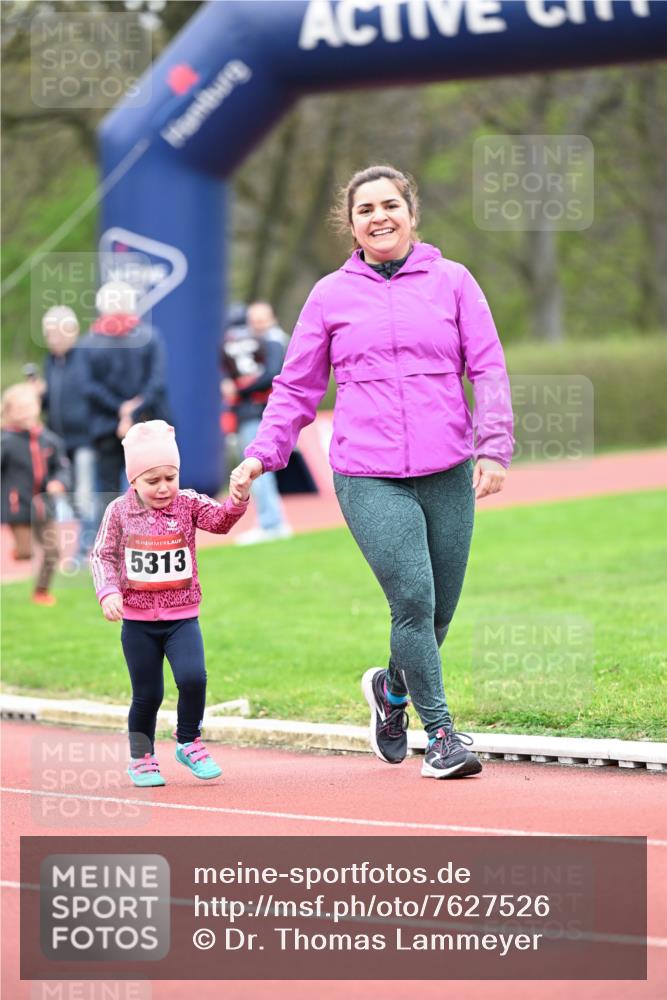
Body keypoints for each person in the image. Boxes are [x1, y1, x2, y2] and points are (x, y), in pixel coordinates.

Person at [231, 165, 514, 780]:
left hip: (448, 468)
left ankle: (391, 689)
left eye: (390, 205)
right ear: (352, 224)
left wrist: (493, 447)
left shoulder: (454, 282)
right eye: (365, 209)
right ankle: (440, 736)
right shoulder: (330, 295)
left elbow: (488, 368)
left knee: (437, 613)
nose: (379, 216)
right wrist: (262, 453)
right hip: (367, 472)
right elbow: (296, 386)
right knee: (412, 597)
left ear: (412, 212)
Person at [90, 420, 250, 787]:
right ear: (133, 481)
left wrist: (237, 500)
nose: (164, 488)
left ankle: (189, 739)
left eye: (170, 477)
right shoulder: (118, 511)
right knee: (148, 694)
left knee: (193, 679)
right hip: (138, 621)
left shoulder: (188, 503)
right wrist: (108, 591)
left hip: (182, 617)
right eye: (152, 481)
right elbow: (102, 555)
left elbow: (221, 521)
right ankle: (141, 758)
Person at [82, 280, 171, 501]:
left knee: (107, 494)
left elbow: (89, 386)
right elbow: (157, 382)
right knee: (151, 487)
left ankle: (112, 535)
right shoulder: (151, 336)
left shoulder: (89, 342)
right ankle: (150, 536)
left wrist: (121, 409)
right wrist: (133, 408)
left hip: (105, 426)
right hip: (148, 422)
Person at [221, 301, 291, 545]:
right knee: (258, 467)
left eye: (262, 319)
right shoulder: (258, 342)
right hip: (258, 412)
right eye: (254, 320)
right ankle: (269, 520)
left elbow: (272, 375)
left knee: (257, 467)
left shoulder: (272, 341)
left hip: (262, 413)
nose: (258, 324)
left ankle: (271, 522)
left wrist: (240, 389)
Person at [1, 383, 71, 606]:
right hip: (17, 506)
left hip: (45, 506)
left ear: (37, 406)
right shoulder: (6, 442)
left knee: (53, 551)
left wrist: (60, 482)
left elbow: (63, 467)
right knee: (26, 553)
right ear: (8, 412)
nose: (23, 412)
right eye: (17, 408)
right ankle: (19, 551)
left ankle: (41, 591)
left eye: (27, 406)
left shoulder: (50, 440)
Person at [40, 305, 97, 558]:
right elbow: (51, 402)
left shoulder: (86, 357)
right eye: (49, 334)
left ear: (73, 331)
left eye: (59, 333)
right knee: (72, 498)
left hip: (86, 439)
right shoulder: (50, 362)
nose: (54, 339)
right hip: (60, 442)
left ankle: (86, 550)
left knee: (86, 494)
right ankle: (88, 544)